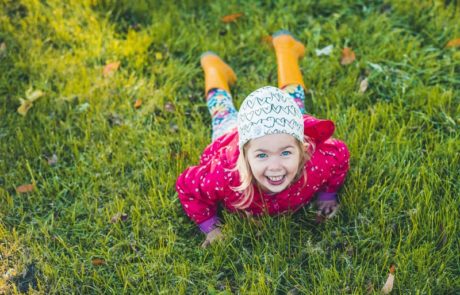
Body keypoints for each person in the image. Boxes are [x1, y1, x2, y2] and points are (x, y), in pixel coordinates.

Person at [176, 30, 350, 248]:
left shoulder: (317, 161)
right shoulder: (226, 174)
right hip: (234, 131)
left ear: (302, 147)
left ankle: (286, 48)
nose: (275, 167)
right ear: (245, 155)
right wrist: (211, 228)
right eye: (261, 155)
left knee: (293, 97)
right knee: (222, 111)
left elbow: (340, 154)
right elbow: (187, 186)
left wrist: (327, 195)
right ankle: (214, 68)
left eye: (286, 152)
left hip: (284, 123)